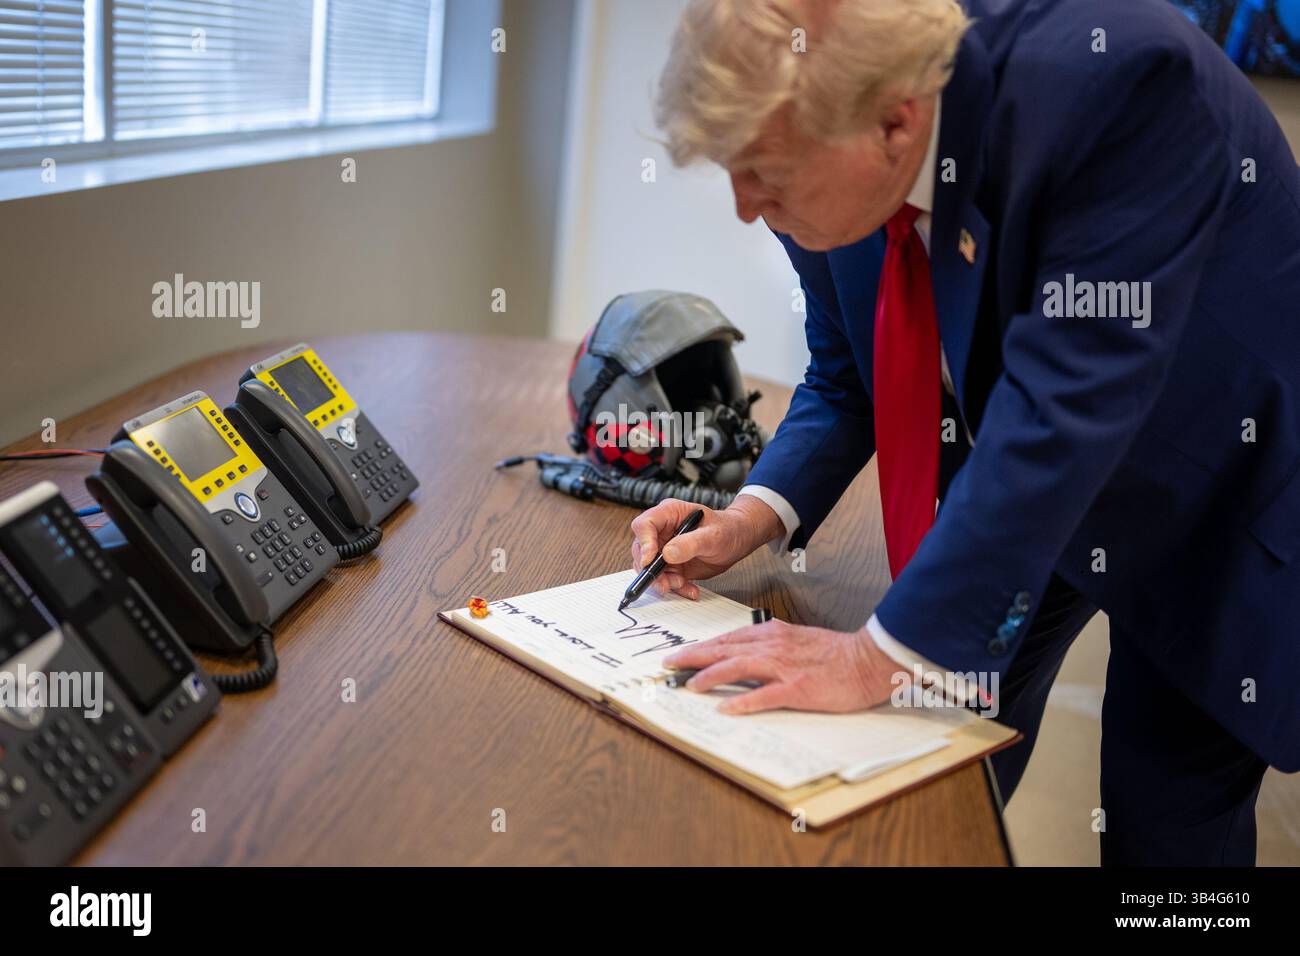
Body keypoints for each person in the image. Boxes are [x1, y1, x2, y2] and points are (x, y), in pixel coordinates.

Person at [630, 0, 1300, 865]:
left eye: (764, 172)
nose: (745, 206)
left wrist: (870, 659)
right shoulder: (824, 153)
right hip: (1035, 475)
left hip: (1221, 490)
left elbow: (1062, 410)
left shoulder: (1124, 80)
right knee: (925, 747)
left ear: (895, 123)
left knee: (1164, 826)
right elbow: (846, 376)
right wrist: (749, 518)